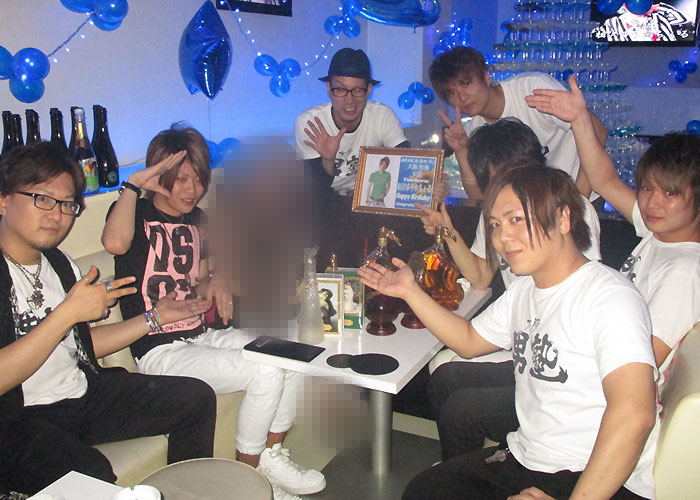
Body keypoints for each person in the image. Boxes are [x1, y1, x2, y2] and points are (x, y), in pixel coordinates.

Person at [360, 166, 658, 500]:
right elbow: (469, 341)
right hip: (529, 457)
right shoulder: (526, 290)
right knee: (423, 491)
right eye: (495, 225)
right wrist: (410, 292)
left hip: (595, 475)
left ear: (563, 219)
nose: (502, 237)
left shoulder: (609, 297)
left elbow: (635, 414)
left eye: (516, 219)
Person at [101, 125, 325, 500]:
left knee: (296, 352)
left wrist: (217, 280)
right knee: (266, 369)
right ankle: (251, 478)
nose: (193, 188)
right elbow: (114, 242)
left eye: (199, 178)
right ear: (158, 176)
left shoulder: (198, 220)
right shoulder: (136, 213)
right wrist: (133, 184)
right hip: (159, 349)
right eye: (181, 179)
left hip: (201, 335)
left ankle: (271, 458)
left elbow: (201, 282)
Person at [0, 142, 217, 496]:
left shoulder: (59, 265)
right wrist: (67, 314)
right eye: (42, 199)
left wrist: (155, 317)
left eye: (66, 204)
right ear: (4, 199)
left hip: (79, 395)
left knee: (196, 399)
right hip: (19, 419)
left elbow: (82, 346)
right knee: (93, 474)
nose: (57, 215)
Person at [526, 74, 700, 394]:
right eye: (647, 188)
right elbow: (604, 180)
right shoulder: (661, 232)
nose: (652, 203)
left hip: (603, 394)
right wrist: (580, 119)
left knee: (462, 402)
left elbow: (638, 363)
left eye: (670, 193)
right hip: (592, 364)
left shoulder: (685, 272)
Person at [295, 48, 447, 268]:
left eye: (358, 90)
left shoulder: (381, 116)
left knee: (408, 224)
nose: (350, 99)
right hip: (327, 200)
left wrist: (432, 185)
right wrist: (328, 159)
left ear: (368, 91)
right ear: (329, 89)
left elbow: (406, 165)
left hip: (369, 203)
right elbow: (314, 191)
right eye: (341, 89)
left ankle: (407, 276)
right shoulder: (311, 123)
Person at [428, 46, 608, 199]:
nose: (462, 97)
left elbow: (598, 132)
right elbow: (480, 195)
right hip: (538, 209)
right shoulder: (475, 130)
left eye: (466, 83)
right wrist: (461, 150)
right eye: (452, 92)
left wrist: (579, 200)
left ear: (486, 78)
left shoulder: (532, 89)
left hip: (583, 193)